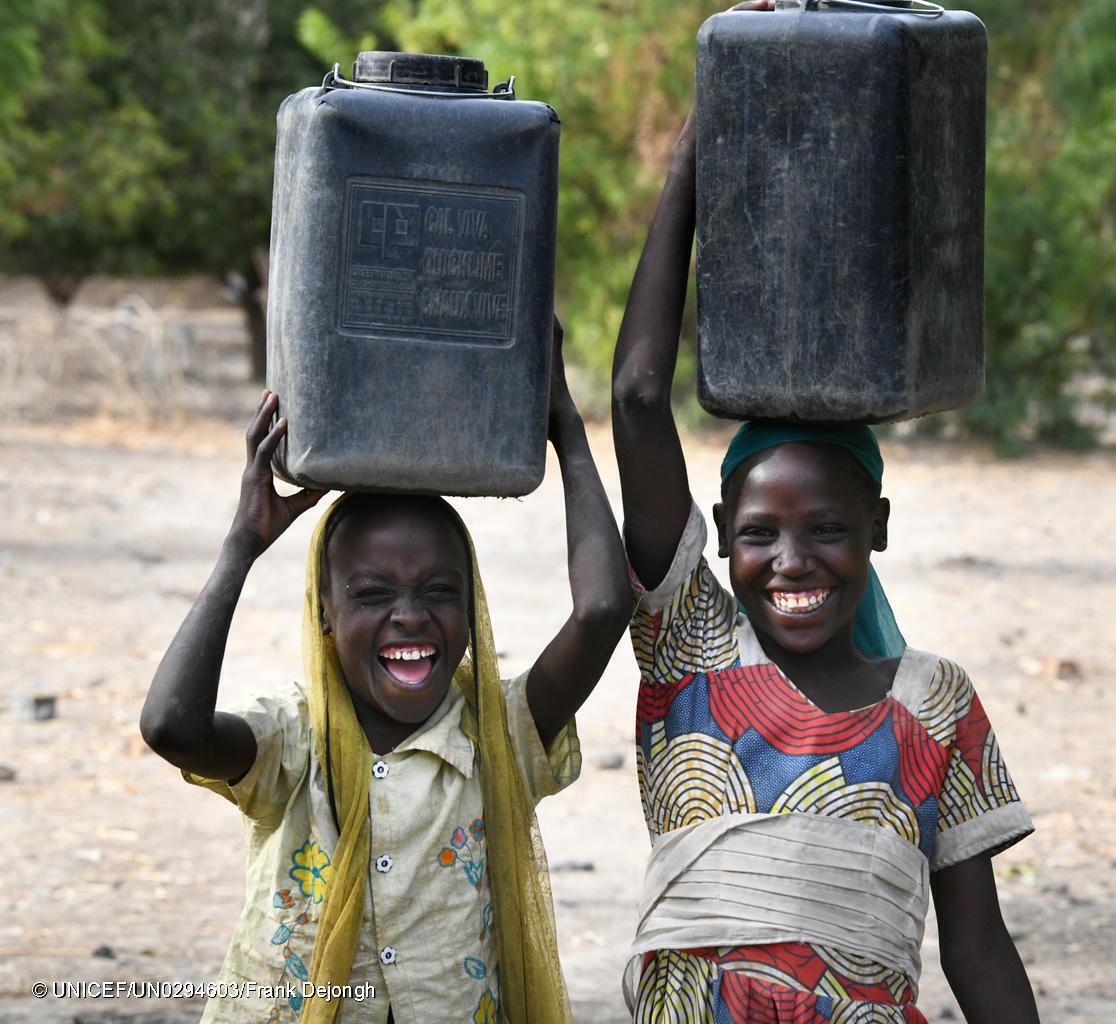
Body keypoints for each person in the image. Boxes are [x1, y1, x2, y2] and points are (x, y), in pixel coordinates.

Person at [608, 13, 1040, 1021]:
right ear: (717, 530)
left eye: (827, 529)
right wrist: (698, 147)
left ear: (879, 527)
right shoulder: (692, 653)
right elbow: (637, 394)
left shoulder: (937, 705)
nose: (791, 559)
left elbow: (978, 948)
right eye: (758, 532)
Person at [139, 325, 632, 1024]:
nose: (410, 616)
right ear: (325, 614)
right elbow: (170, 727)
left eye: (439, 591)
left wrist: (567, 435)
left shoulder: (499, 733)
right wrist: (240, 548)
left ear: (473, 608)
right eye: (373, 595)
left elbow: (605, 606)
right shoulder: (294, 737)